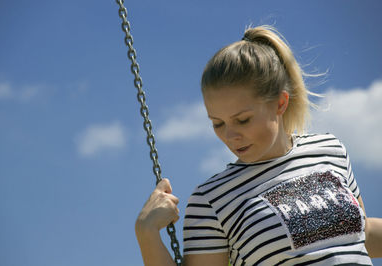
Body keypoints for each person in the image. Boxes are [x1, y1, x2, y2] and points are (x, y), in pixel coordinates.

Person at [134, 25, 382, 266]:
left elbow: (361, 234)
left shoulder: (330, 149)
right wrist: (147, 234)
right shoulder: (210, 200)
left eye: (243, 120)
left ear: (280, 103)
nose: (230, 135)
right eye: (218, 123)